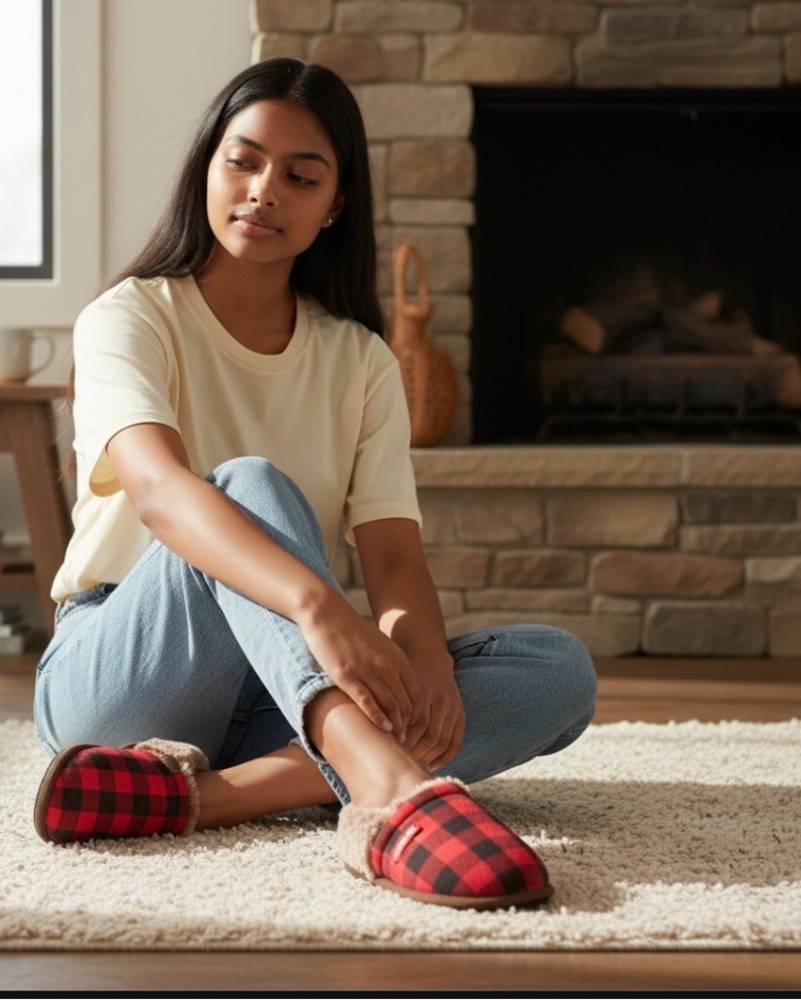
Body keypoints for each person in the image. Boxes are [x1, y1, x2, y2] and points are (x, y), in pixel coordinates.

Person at [32, 58, 597, 910]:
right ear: (207, 169)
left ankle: (202, 795)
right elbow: (159, 492)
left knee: (557, 670)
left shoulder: (360, 360)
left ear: (334, 205)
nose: (264, 191)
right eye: (243, 161)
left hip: (280, 691)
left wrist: (428, 661)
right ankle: (387, 792)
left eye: (300, 177)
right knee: (248, 484)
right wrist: (319, 607)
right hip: (124, 674)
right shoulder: (129, 317)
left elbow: (397, 561)